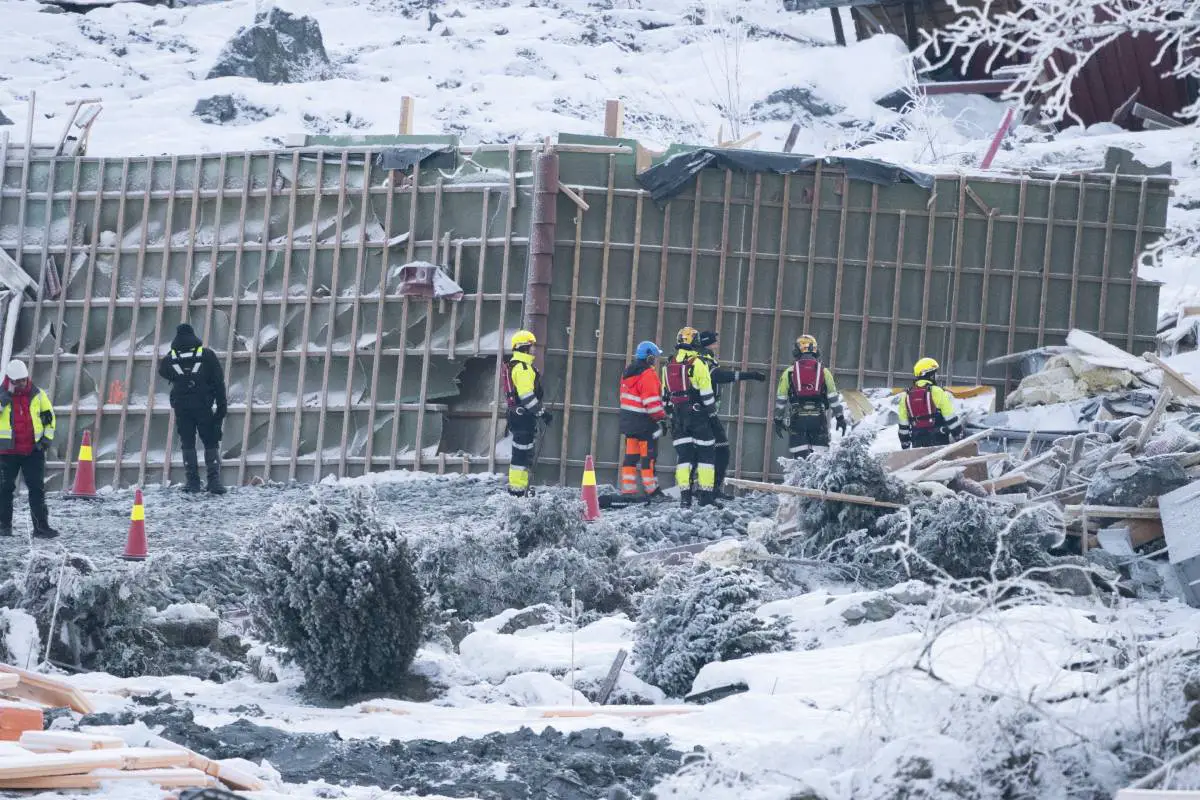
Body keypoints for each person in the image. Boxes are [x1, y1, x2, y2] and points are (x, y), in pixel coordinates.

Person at [158, 323, 228, 495]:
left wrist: (178, 379)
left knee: (187, 442)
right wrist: (221, 407)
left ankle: (192, 482)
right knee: (210, 441)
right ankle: (214, 482)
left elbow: (163, 371)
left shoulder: (170, 358)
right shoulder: (207, 355)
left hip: (182, 408)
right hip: (203, 406)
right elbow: (218, 382)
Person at [695, 330, 766, 497]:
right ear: (707, 343)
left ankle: (702, 490)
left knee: (704, 451)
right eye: (714, 342)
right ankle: (709, 490)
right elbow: (719, 376)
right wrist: (749, 375)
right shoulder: (703, 360)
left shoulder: (701, 358)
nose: (716, 345)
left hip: (700, 413)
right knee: (721, 450)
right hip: (705, 414)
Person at [662, 327, 720, 507]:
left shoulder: (668, 365)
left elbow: (665, 396)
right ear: (695, 342)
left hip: (678, 417)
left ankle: (685, 498)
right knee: (706, 455)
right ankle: (706, 497)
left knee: (684, 457)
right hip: (698, 416)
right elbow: (707, 394)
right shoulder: (698, 363)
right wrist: (712, 415)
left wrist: (670, 416)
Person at [0, 360, 59, 538]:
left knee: (37, 489)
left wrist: (46, 440)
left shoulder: (37, 395)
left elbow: (49, 418)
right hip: (6, 453)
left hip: (33, 451)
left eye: (24, 380)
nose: (22, 384)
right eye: (17, 381)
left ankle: (41, 528)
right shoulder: (2, 396)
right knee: (4, 490)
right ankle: (3, 526)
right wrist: (3, 401)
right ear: (9, 380)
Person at [774, 334, 847, 459]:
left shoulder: (789, 372)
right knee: (818, 459)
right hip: (818, 419)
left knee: (800, 459)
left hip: (797, 419)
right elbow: (833, 399)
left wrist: (778, 420)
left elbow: (781, 401)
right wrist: (840, 418)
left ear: (797, 351)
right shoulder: (824, 372)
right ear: (816, 351)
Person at [501, 330, 550, 497]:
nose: (533, 349)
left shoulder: (515, 365)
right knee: (521, 455)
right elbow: (527, 397)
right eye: (531, 346)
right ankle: (518, 490)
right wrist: (543, 413)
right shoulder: (523, 368)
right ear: (524, 348)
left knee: (522, 453)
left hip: (518, 416)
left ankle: (520, 487)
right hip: (523, 418)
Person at [619, 341, 668, 499]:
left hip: (629, 423)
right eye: (654, 357)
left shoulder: (628, 372)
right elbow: (651, 402)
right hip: (645, 424)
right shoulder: (648, 374)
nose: (655, 360)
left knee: (631, 458)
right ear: (649, 357)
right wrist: (661, 419)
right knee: (648, 458)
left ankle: (628, 491)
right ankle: (652, 491)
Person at [898, 357, 964, 449]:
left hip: (917, 442)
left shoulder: (906, 395)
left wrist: (905, 443)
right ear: (930, 374)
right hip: (939, 440)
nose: (937, 376)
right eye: (935, 373)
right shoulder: (937, 391)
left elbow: (903, 424)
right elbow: (950, 417)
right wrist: (958, 436)